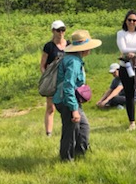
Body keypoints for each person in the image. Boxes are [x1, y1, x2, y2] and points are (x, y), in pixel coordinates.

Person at [52, 29, 102, 161]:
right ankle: (66, 160)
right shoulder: (73, 62)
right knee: (70, 131)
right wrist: (74, 109)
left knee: (83, 127)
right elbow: (68, 86)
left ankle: (80, 154)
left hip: (69, 99)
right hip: (67, 100)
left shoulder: (74, 59)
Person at [40, 20, 67, 135]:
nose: (60, 32)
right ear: (53, 31)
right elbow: (42, 65)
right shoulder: (49, 46)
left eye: (62, 30)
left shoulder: (69, 44)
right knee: (51, 107)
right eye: (58, 30)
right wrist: (46, 78)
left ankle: (66, 129)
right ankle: (48, 132)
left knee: (67, 105)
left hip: (65, 78)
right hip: (53, 80)